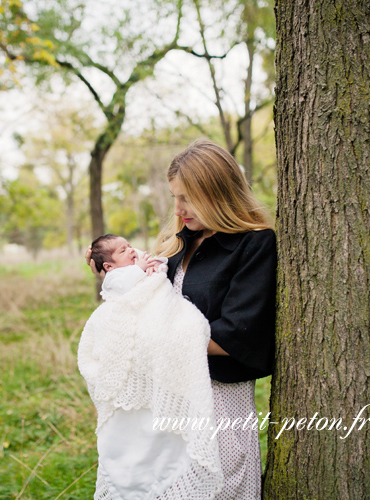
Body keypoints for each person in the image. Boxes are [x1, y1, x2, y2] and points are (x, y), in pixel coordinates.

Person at [86, 139, 276, 499]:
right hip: (165, 396)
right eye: (175, 196)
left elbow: (239, 335)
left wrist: (155, 338)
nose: (178, 209)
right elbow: (142, 304)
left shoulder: (254, 244)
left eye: (187, 197)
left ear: (217, 193)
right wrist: (113, 274)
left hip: (218, 401)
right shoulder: (176, 244)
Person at [89, 234, 167, 300]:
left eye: (130, 246)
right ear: (109, 266)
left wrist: (156, 263)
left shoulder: (137, 261)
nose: (131, 250)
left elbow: (158, 262)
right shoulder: (112, 276)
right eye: (123, 251)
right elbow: (123, 286)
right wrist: (139, 268)